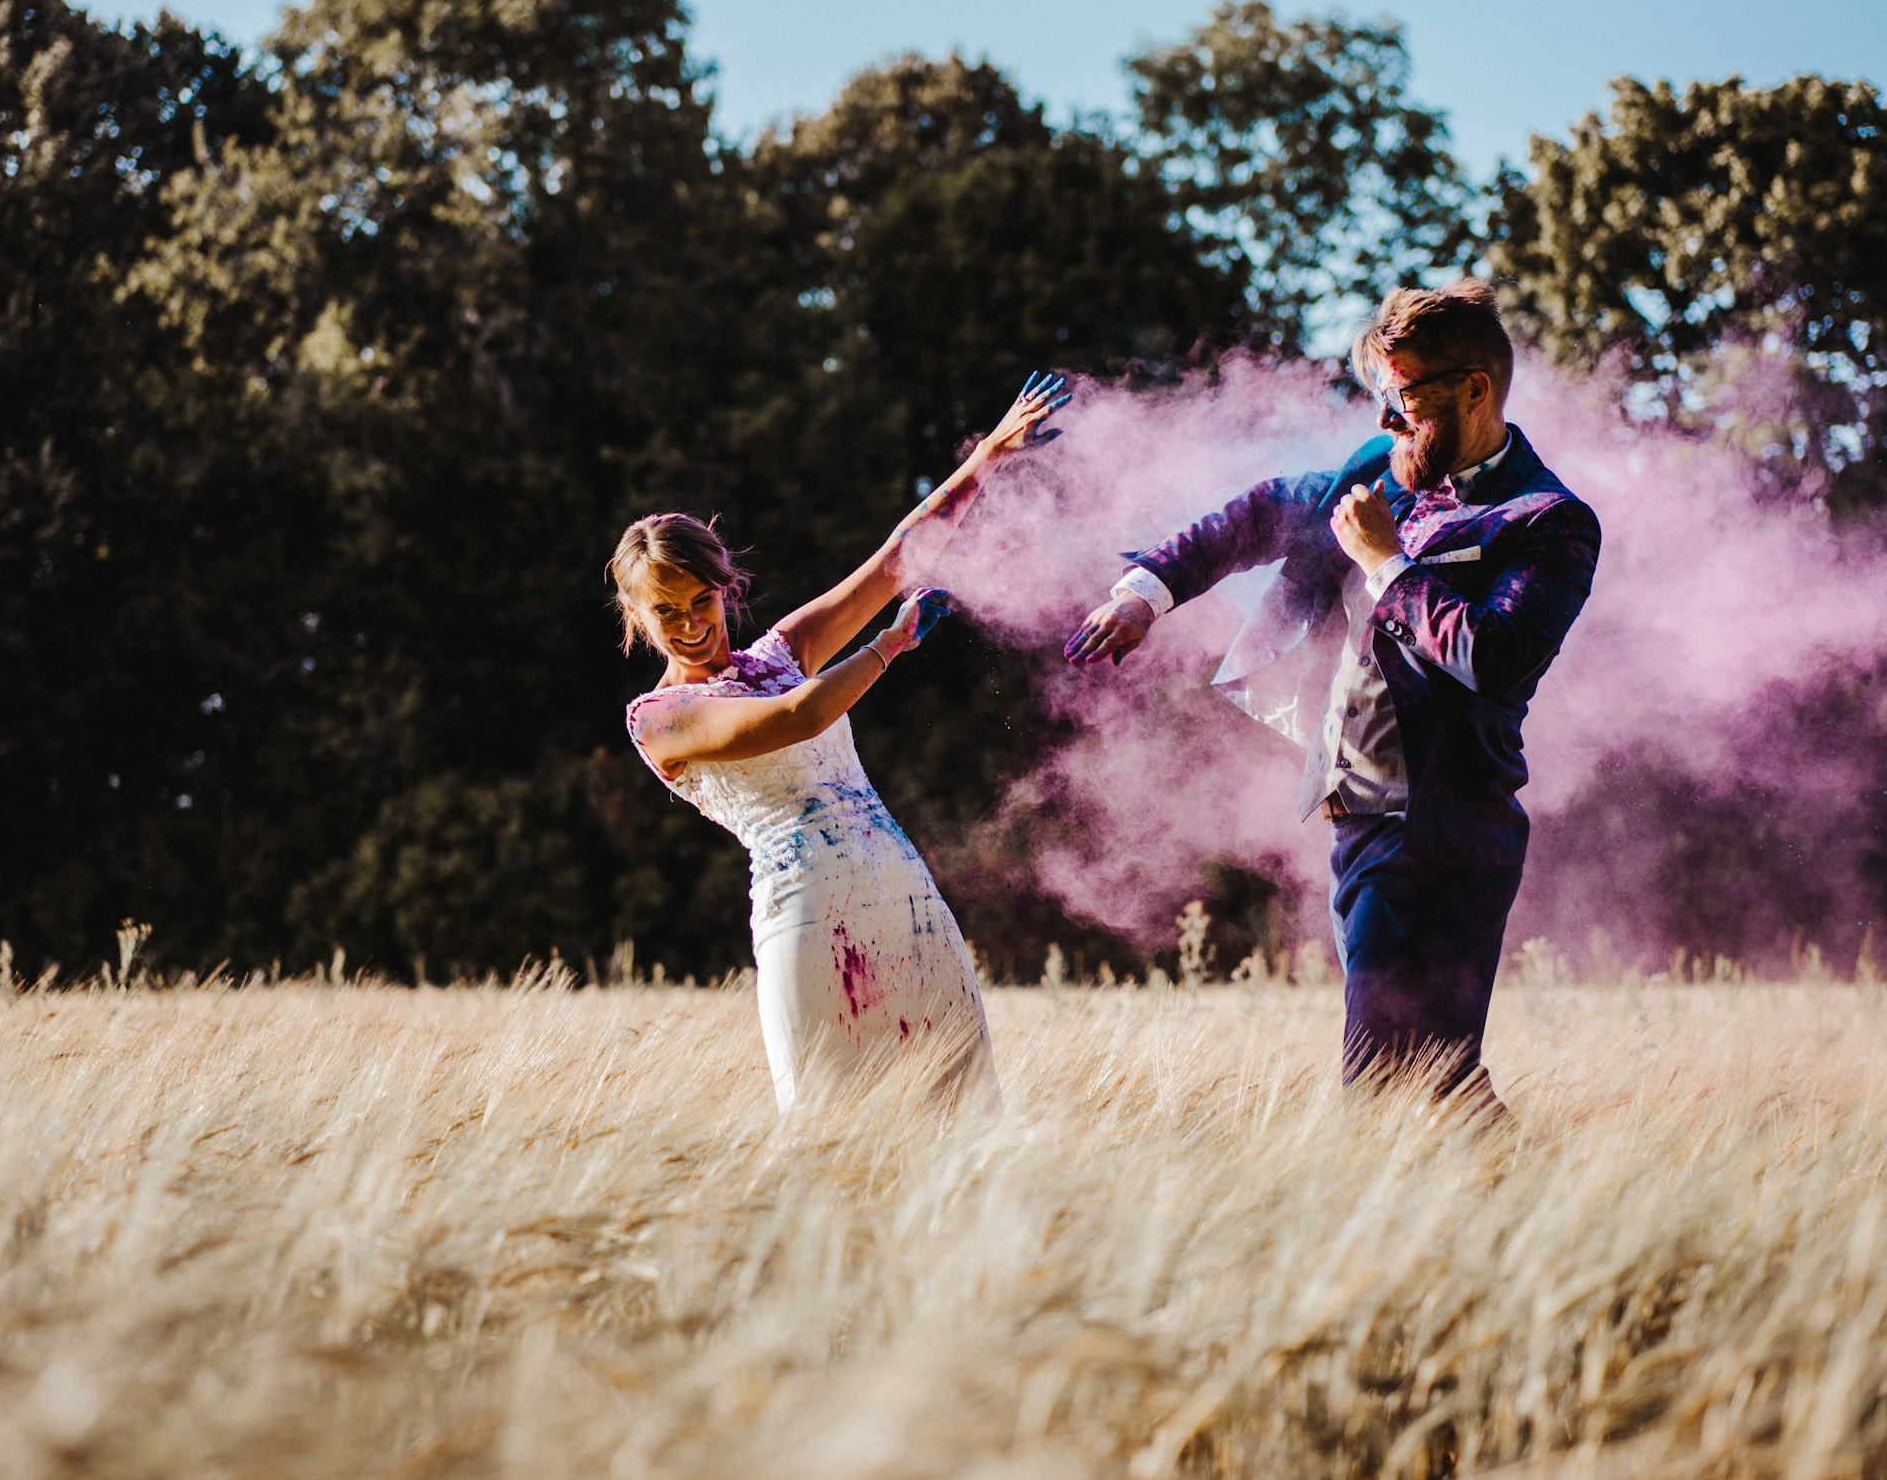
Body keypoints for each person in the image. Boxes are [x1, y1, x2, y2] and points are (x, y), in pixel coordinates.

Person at [1063, 282, 1599, 1109]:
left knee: (1380, 1083)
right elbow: (1255, 515)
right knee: (1439, 1079)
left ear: (1475, 388)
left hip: (1448, 832)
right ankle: (1548, 1223)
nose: (1386, 421)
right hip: (1359, 816)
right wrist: (1145, 593)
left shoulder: (1549, 519)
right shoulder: (1375, 470)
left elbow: (1495, 658)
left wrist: (1387, 562)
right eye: (1381, 398)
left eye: (1404, 399)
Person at [615, 374, 1071, 1112]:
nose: (692, 621)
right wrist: (889, 646)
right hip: (806, 914)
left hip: (907, 897)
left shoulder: (779, 648)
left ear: (726, 586)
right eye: (667, 611)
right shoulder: (658, 718)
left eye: (702, 599)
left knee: (967, 1124)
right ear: (637, 616)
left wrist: (987, 454)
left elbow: (894, 561)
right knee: (832, 1135)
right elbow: (794, 719)